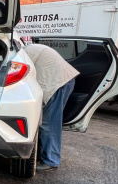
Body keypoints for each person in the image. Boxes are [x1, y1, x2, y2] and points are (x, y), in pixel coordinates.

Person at [23, 44, 79, 172]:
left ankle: (51, 160)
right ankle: (43, 155)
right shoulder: (28, 49)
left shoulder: (22, 55)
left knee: (49, 124)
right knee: (47, 122)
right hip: (62, 79)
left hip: (56, 82)